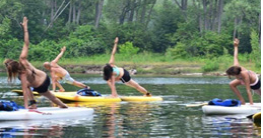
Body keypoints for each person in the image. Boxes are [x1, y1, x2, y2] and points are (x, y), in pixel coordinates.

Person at [3, 17, 67, 109]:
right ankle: (63, 105)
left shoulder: (22, 75)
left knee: (29, 86)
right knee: (51, 97)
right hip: (45, 78)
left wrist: (26, 108)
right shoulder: (23, 59)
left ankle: (33, 104)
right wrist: (25, 29)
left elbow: (25, 91)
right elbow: (26, 43)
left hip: (39, 86)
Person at [226, 38, 261, 105]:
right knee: (231, 84)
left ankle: (251, 103)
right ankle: (242, 101)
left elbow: (248, 90)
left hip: (254, 83)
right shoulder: (236, 66)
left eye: (232, 75)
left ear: (236, 74)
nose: (233, 76)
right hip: (242, 80)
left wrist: (251, 105)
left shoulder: (244, 74)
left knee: (260, 93)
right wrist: (236, 46)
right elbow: (235, 56)